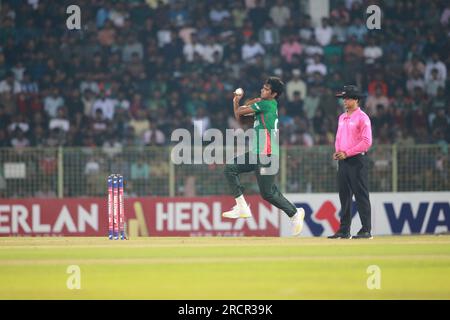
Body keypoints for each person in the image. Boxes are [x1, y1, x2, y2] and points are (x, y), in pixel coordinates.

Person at [222, 77, 305, 236]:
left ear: (274, 94)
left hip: (267, 153)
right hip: (257, 152)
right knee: (230, 169)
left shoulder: (266, 104)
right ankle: (242, 207)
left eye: (267, 89)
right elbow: (241, 119)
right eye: (263, 87)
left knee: (268, 193)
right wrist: (236, 101)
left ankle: (295, 213)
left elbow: (240, 111)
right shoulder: (264, 105)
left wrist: (243, 102)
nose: (263, 90)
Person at [328, 85, 373, 239]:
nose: (344, 101)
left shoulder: (362, 117)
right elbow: (339, 138)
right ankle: (344, 230)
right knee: (344, 197)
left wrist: (346, 152)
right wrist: (337, 151)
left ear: (356, 100)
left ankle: (366, 230)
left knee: (361, 195)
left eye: (347, 98)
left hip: (357, 160)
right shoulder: (342, 117)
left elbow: (366, 142)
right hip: (343, 161)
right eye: (344, 98)